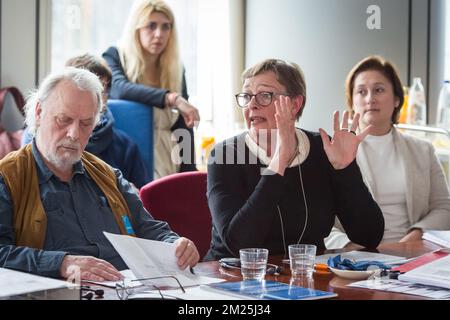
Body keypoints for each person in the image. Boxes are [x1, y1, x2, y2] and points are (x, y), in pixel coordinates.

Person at [0, 68, 199, 281]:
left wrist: (175, 245)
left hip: (130, 289)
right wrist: (61, 263)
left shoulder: (107, 175)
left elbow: (147, 228)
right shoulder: (8, 177)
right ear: (39, 112)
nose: (74, 134)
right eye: (64, 119)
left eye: (86, 123)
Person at [204, 59, 384, 261]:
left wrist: (345, 169)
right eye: (247, 96)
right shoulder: (224, 156)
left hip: (306, 276)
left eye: (265, 95)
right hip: (232, 279)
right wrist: (279, 162)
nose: (252, 105)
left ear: (294, 104)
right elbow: (239, 245)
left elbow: (370, 236)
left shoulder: (324, 149)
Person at [325, 55, 450, 249]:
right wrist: (350, 246)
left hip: (412, 252)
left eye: (379, 90)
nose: (370, 99)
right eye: (361, 92)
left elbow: (443, 208)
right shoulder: (332, 152)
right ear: (352, 103)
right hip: (355, 259)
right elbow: (318, 220)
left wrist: (416, 234)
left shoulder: (423, 150)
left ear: (397, 99)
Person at [103, 0, 200, 179]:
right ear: (137, 28)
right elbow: (119, 89)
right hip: (127, 154)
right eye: (151, 26)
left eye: (166, 27)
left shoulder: (175, 68)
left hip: (168, 157)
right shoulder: (115, 55)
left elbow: (183, 124)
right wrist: (172, 98)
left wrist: (189, 169)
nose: (159, 34)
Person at [22, 53, 150, 189]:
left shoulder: (125, 146)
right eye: (64, 119)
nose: (97, 98)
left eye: (102, 90)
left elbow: (145, 197)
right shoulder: (37, 140)